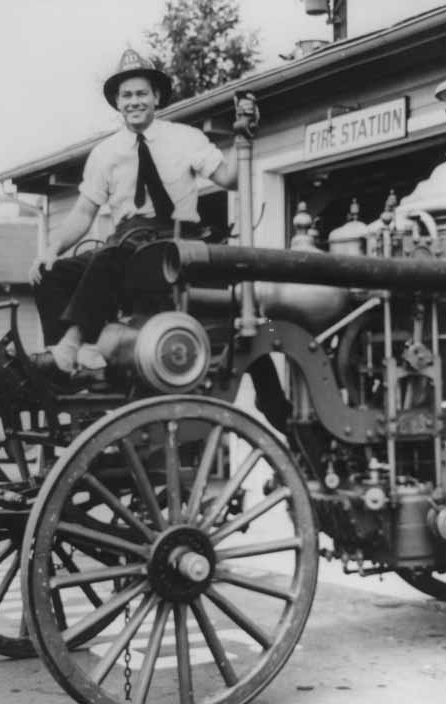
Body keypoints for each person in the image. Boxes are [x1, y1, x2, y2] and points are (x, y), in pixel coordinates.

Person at [29, 49, 290, 429]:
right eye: (126, 96)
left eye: (141, 94)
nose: (134, 102)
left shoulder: (185, 139)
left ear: (156, 97)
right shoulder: (105, 153)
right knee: (52, 274)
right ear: (117, 103)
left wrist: (242, 137)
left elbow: (230, 179)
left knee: (112, 256)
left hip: (175, 245)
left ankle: (73, 343)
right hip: (125, 243)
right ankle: (73, 364)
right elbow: (85, 213)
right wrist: (52, 248)